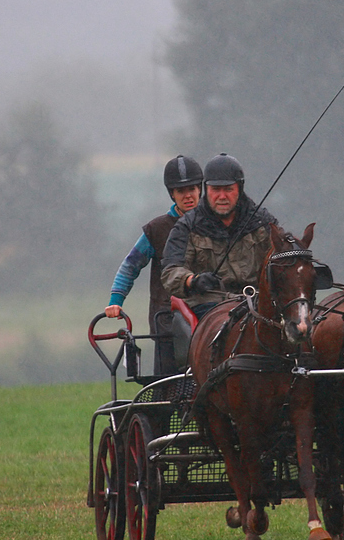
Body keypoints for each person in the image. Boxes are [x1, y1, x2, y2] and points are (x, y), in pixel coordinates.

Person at [104, 154, 203, 375]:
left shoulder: (214, 224)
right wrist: (115, 301)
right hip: (167, 323)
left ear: (200, 189)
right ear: (172, 194)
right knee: (166, 388)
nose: (188, 196)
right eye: (181, 191)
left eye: (192, 189)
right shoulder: (157, 229)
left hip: (207, 317)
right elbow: (130, 266)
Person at [161, 153, 278, 319]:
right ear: (206, 190)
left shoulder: (262, 222)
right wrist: (192, 280)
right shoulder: (187, 226)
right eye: (216, 190)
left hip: (258, 303)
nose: (222, 196)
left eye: (228, 189)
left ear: (240, 189)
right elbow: (170, 271)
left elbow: (282, 258)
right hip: (209, 306)